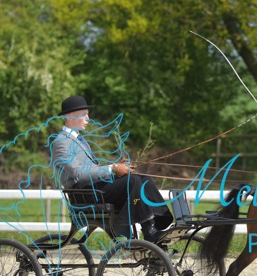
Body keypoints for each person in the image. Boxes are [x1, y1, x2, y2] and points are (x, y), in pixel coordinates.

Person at [50, 95, 172, 241]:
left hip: (93, 188)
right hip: (82, 193)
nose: (88, 119)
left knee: (143, 179)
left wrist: (117, 168)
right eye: (84, 115)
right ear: (70, 116)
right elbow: (78, 173)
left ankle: (159, 223)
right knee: (133, 181)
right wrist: (113, 168)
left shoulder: (79, 139)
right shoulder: (61, 142)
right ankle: (146, 230)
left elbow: (92, 169)